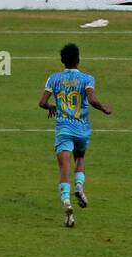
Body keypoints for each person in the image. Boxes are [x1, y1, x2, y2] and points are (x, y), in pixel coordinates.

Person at [39, 43, 112, 228]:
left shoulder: (53, 79)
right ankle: (79, 187)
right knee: (80, 157)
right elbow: (93, 99)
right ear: (78, 59)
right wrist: (104, 108)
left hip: (63, 129)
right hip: (82, 129)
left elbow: (42, 102)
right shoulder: (87, 78)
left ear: (62, 61)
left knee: (64, 168)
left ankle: (67, 205)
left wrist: (51, 107)